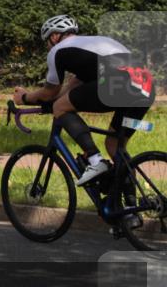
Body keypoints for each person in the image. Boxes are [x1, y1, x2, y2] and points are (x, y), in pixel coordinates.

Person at [13, 15, 156, 188]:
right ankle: (130, 204)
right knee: (114, 145)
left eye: (47, 42)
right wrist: (50, 101)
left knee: (60, 108)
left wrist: (25, 97)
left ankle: (95, 160)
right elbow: (69, 89)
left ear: (54, 36)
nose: (48, 46)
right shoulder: (89, 47)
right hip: (146, 87)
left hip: (116, 83)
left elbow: (50, 93)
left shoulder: (57, 51)